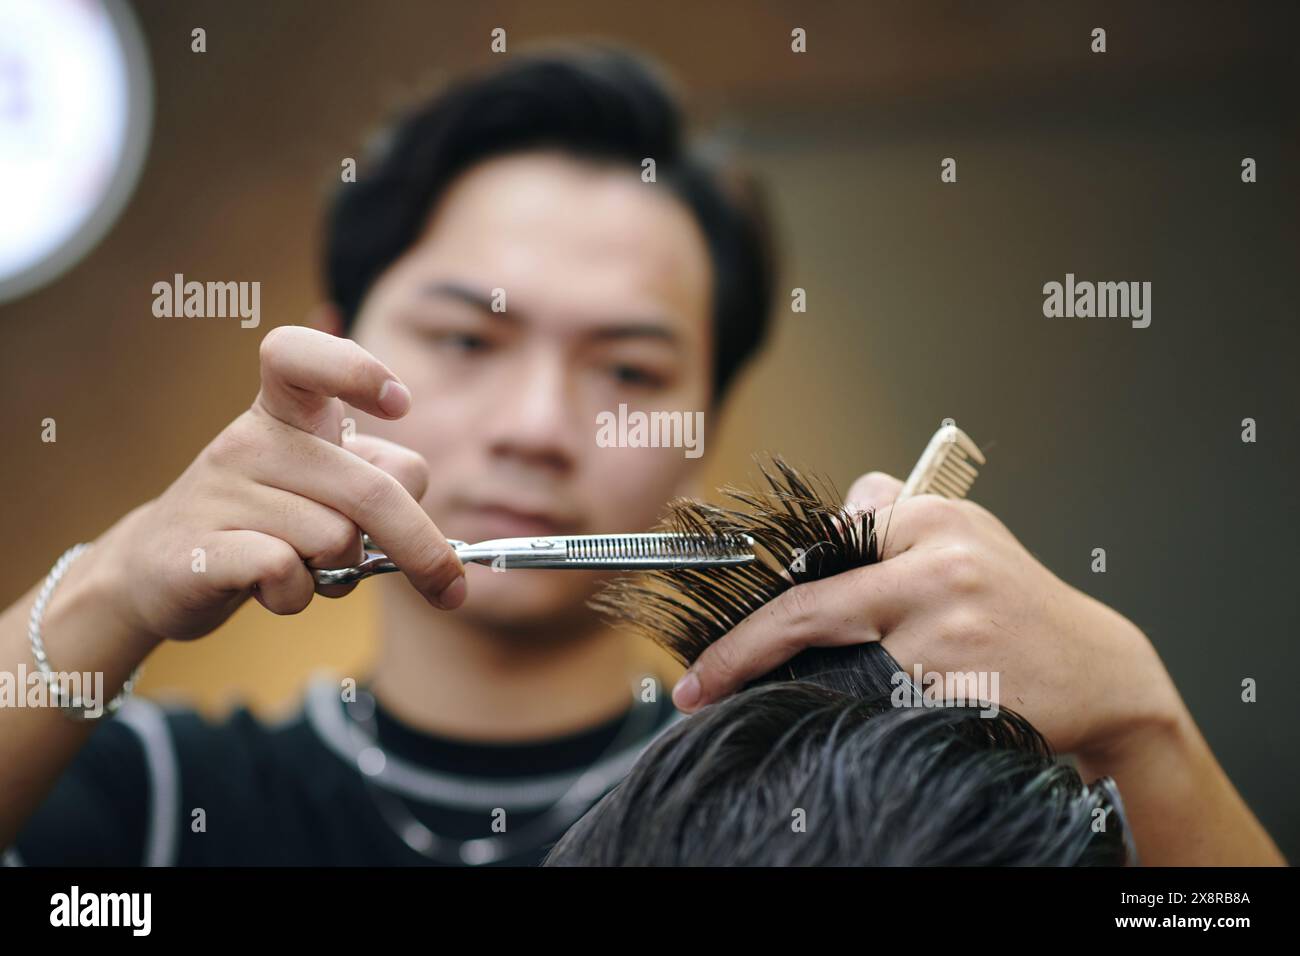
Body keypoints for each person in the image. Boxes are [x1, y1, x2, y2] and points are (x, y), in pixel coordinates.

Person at [0, 45, 1284, 867]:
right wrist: (108, 587)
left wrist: (1145, 725)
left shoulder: (825, 808)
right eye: (462, 337)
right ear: (338, 353)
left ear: (702, 421)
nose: (541, 424)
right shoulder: (158, 810)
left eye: (627, 370)